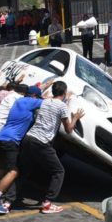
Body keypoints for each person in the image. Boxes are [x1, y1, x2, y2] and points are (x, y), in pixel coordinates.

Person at [20, 81, 84, 214]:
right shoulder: (62, 107)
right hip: (42, 142)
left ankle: (8, 199)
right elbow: (68, 130)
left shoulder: (45, 101)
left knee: (24, 169)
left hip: (29, 138)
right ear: (64, 92)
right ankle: (47, 203)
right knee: (58, 171)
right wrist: (75, 118)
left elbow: (53, 102)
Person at [0, 86, 43, 214]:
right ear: (34, 96)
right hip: (11, 141)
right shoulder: (29, 101)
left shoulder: (18, 101)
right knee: (13, 171)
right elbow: (49, 103)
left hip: (1, 137)